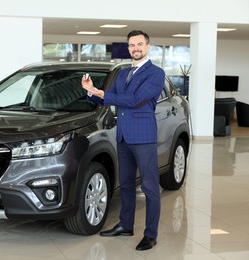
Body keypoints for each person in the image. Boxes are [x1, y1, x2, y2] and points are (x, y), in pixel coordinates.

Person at [81, 30, 165, 251]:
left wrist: (101, 94)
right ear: (128, 49)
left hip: (143, 136)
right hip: (124, 136)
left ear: (147, 46)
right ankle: (126, 225)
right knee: (126, 184)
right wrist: (91, 91)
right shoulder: (123, 73)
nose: (135, 48)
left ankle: (151, 234)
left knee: (149, 187)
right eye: (131, 45)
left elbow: (135, 100)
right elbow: (109, 97)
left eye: (139, 44)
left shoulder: (156, 73)